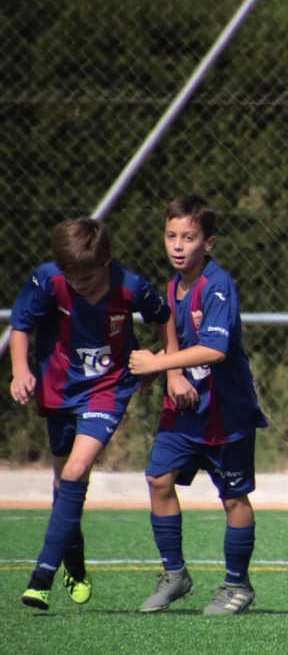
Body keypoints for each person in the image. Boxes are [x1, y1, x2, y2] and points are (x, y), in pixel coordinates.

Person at [10, 218, 176, 611]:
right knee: (61, 480)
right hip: (59, 388)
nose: (78, 284)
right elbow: (21, 324)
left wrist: (166, 363)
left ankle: (41, 577)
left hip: (108, 389)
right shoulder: (48, 280)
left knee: (75, 470)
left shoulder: (130, 286)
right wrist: (20, 370)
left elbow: (163, 316)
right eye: (71, 276)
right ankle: (75, 563)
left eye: (85, 277)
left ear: (106, 262)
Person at [129, 195, 268, 615]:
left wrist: (156, 362)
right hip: (187, 409)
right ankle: (175, 575)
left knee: (233, 498)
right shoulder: (172, 286)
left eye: (188, 237)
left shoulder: (218, 285)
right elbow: (175, 339)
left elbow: (213, 350)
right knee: (158, 478)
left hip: (226, 411)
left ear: (207, 243)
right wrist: (168, 373)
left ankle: (237, 586)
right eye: (171, 235)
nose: (177, 245)